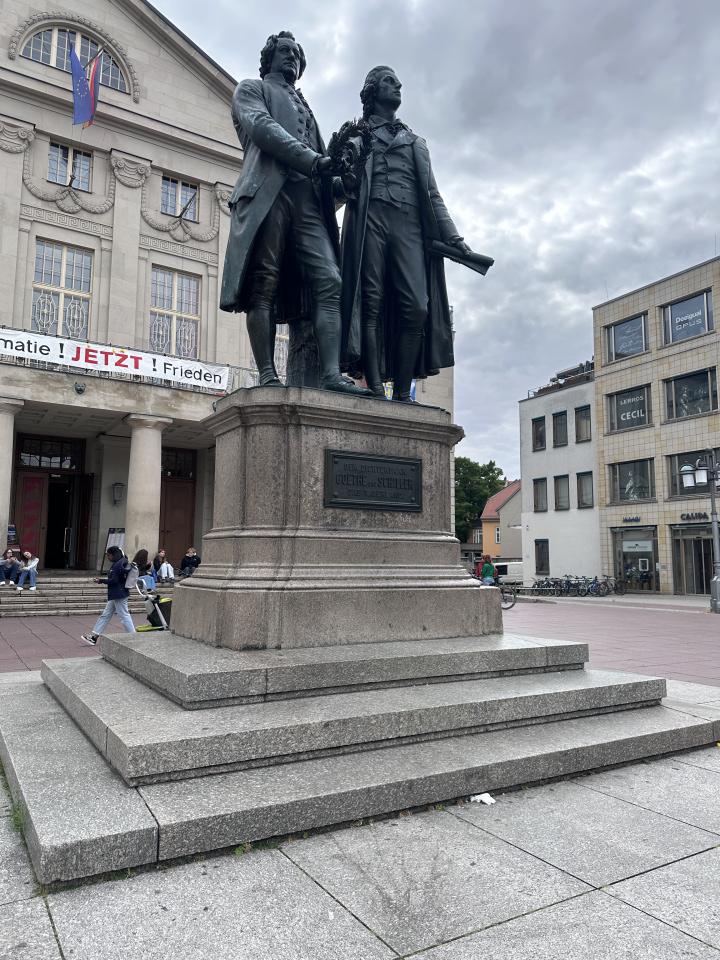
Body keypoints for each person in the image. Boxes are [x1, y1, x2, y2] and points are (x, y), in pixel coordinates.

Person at [219, 30, 368, 396]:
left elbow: (325, 172)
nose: (292, 58)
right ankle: (268, 374)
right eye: (285, 51)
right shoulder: (251, 89)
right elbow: (263, 128)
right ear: (268, 58)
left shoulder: (307, 108)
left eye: (297, 55)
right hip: (268, 194)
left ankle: (331, 375)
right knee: (263, 284)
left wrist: (345, 182)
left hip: (308, 202)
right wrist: (314, 161)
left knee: (330, 280)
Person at [339, 66, 473, 400]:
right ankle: (375, 388)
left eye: (397, 82)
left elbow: (433, 195)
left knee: (417, 307)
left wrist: (454, 238)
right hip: (370, 219)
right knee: (369, 302)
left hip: (409, 223)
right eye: (389, 81)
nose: (398, 85)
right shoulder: (357, 136)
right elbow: (337, 188)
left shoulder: (415, 142)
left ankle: (402, 393)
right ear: (372, 90)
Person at [80, 545, 135, 645]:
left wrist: (100, 580)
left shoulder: (117, 565)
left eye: (109, 555)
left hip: (118, 594)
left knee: (124, 615)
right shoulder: (122, 561)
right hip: (118, 593)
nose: (108, 557)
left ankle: (134, 637)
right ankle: (94, 636)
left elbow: (114, 580)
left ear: (114, 554)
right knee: (106, 615)